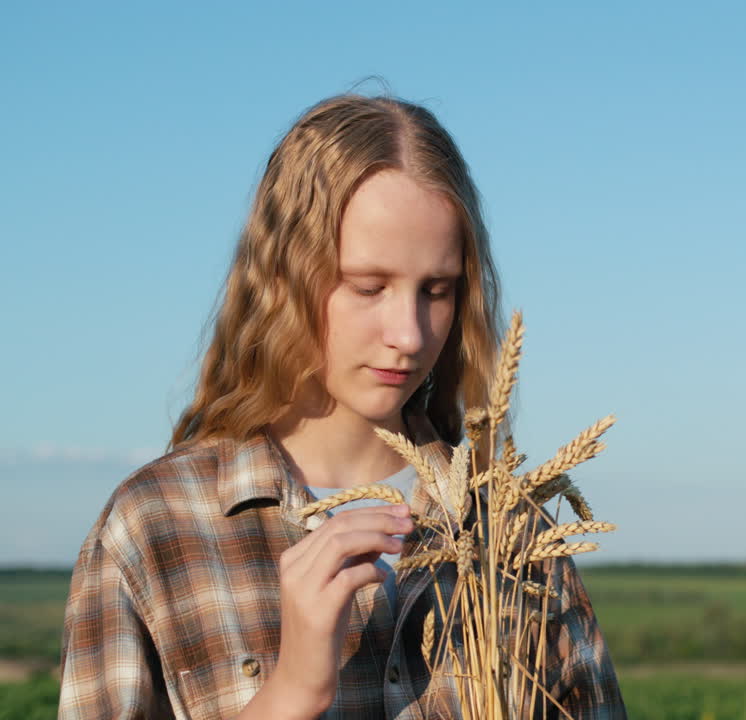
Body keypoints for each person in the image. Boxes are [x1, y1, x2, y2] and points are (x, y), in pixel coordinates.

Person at [58, 94, 626, 720]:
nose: (409, 335)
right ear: (284, 277)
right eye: (367, 286)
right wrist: (292, 692)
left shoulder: (514, 537)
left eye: (436, 291)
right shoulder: (154, 528)